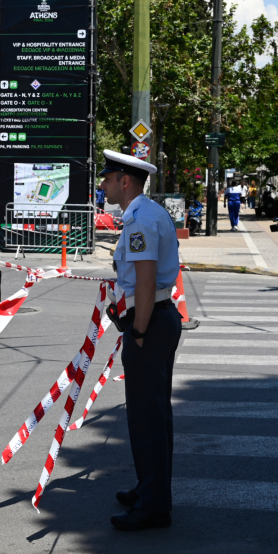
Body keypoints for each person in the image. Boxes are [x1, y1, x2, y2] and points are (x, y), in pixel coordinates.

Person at [99, 149, 182, 531]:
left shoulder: (139, 220)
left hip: (151, 321)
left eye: (107, 178)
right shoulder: (148, 212)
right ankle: (151, 489)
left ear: (124, 182)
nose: (103, 185)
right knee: (155, 415)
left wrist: (140, 330)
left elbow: (145, 280)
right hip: (159, 317)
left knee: (146, 419)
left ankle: (153, 506)